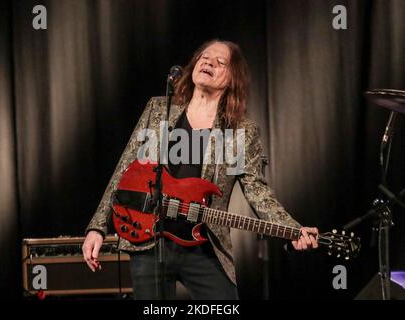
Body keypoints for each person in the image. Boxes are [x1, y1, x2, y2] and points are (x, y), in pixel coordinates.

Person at [82, 39, 319, 300]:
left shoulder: (238, 131)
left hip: (204, 243)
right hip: (149, 238)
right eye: (205, 58)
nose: (209, 62)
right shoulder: (159, 109)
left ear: (232, 79)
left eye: (221, 62)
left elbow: (257, 191)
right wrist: (97, 227)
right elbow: (125, 168)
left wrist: (292, 228)